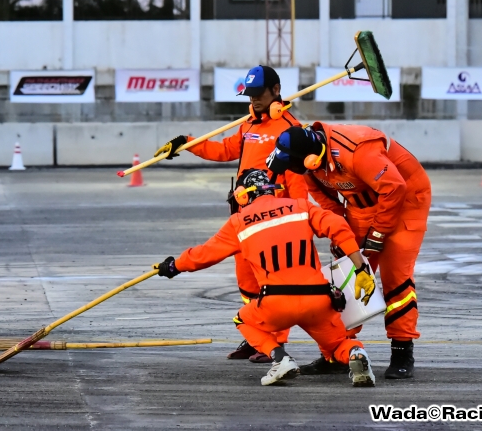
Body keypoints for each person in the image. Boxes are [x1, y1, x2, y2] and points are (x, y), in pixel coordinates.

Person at [155, 169, 377, 387]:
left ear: (243, 194)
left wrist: (174, 266)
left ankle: (281, 359)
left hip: (276, 303)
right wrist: (360, 269)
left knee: (242, 319)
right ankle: (355, 353)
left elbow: (204, 255)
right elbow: (338, 225)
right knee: (337, 344)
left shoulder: (239, 222)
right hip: (318, 300)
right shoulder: (300, 206)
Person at [154, 65, 309, 363]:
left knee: (273, 283)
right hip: (244, 216)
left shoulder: (291, 131)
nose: (254, 101)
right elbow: (224, 150)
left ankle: (276, 343)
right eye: (249, 96)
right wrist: (188, 143)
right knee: (248, 283)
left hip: (274, 220)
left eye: (259, 94)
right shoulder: (248, 125)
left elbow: (299, 182)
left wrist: (299, 218)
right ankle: (256, 337)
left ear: (276, 91)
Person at [267, 123, 431, 380]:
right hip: (361, 205)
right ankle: (338, 351)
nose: (289, 171)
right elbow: (327, 201)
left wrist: (377, 235)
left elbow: (394, 188)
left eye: (290, 164)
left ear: (310, 158)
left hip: (405, 201)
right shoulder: (310, 166)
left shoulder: (358, 150)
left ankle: (402, 352)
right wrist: (339, 232)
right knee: (345, 277)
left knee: (395, 278)